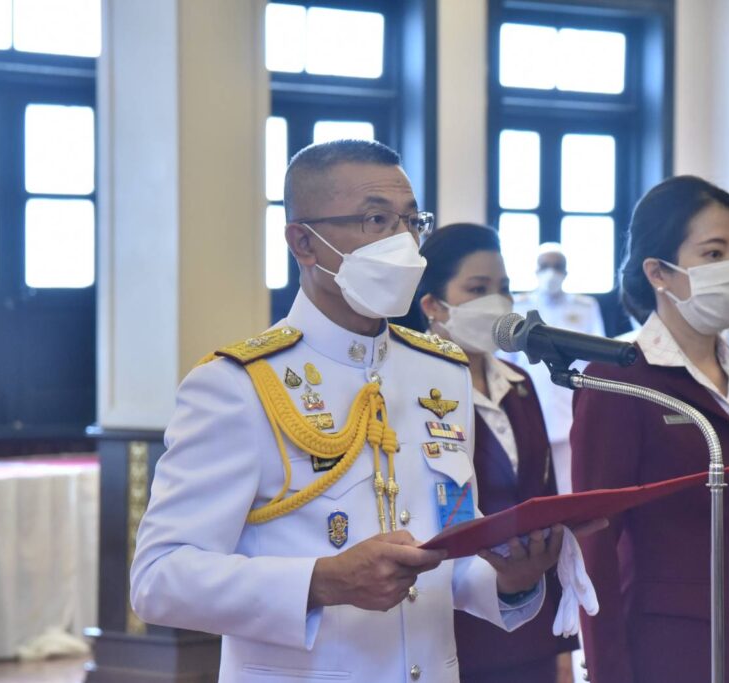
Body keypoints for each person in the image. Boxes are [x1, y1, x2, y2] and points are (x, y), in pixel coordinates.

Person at [130, 140, 566, 682]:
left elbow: (449, 553)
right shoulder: (238, 386)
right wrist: (320, 581)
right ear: (303, 243)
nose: (403, 242)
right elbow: (158, 578)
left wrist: (511, 578)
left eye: (411, 222)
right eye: (376, 220)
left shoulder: (441, 372)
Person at [571, 175, 729, 683]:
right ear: (658, 272)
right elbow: (594, 546)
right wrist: (607, 672)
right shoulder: (618, 377)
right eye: (713, 253)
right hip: (669, 651)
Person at [394, 223, 577, 683]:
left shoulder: (519, 384)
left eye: (503, 288)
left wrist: (561, 644)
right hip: (450, 629)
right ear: (432, 306)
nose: (497, 303)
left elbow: (546, 505)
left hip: (530, 621)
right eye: (478, 289)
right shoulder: (408, 390)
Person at [510, 243, 605, 495]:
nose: (551, 272)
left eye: (557, 266)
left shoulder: (585, 306)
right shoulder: (518, 306)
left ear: (566, 271)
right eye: (545, 266)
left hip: (570, 398)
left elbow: (596, 355)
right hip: (531, 397)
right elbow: (506, 357)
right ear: (535, 270)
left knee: (569, 478)